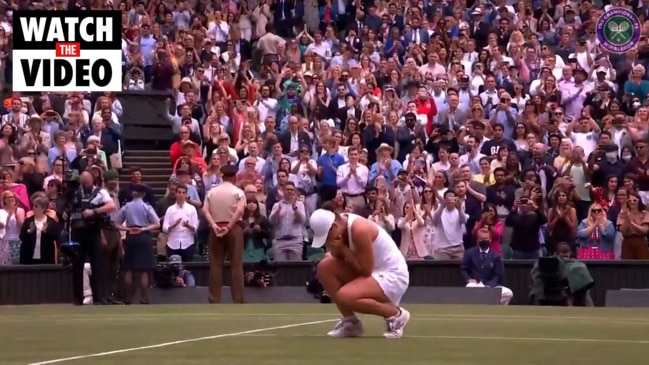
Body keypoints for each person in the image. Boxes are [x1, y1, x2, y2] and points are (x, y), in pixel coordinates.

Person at [309, 202, 410, 339]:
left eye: (326, 237)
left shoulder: (359, 230)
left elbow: (365, 271)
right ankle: (351, 324)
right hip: (372, 273)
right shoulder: (339, 230)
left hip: (393, 276)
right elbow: (339, 258)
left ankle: (396, 315)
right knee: (324, 267)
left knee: (345, 296)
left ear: (333, 226)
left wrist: (344, 249)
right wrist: (337, 249)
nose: (326, 241)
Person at [70, 171, 116, 306]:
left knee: (98, 265)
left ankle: (99, 297)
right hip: (78, 231)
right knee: (77, 265)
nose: (85, 184)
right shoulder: (75, 192)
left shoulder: (100, 192)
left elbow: (111, 206)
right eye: (83, 182)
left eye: (87, 181)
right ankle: (77, 297)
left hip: (94, 230)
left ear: (92, 180)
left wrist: (94, 211)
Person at [202, 165, 246, 304]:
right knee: (236, 265)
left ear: (222, 176)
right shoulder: (238, 192)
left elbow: (205, 210)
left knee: (215, 264)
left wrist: (214, 225)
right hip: (233, 228)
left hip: (216, 228)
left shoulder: (212, 192)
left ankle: (214, 298)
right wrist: (228, 227)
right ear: (234, 176)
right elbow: (239, 212)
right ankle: (238, 299)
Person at [112, 183, 160, 304]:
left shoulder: (126, 207)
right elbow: (157, 223)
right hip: (143, 236)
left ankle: (128, 298)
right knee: (144, 270)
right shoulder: (146, 207)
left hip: (131, 236)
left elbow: (116, 223)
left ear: (133, 193)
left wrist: (128, 229)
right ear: (143, 194)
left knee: (129, 268)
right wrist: (143, 229)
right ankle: (144, 298)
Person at [461, 227, 514, 305]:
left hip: (491, 286)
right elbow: (463, 269)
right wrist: (469, 279)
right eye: (481, 238)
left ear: (490, 240)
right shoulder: (469, 253)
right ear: (477, 240)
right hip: (476, 284)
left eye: (486, 238)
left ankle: (494, 309)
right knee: (470, 287)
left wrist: (490, 286)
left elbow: (498, 275)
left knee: (508, 293)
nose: (483, 240)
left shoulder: (496, 256)